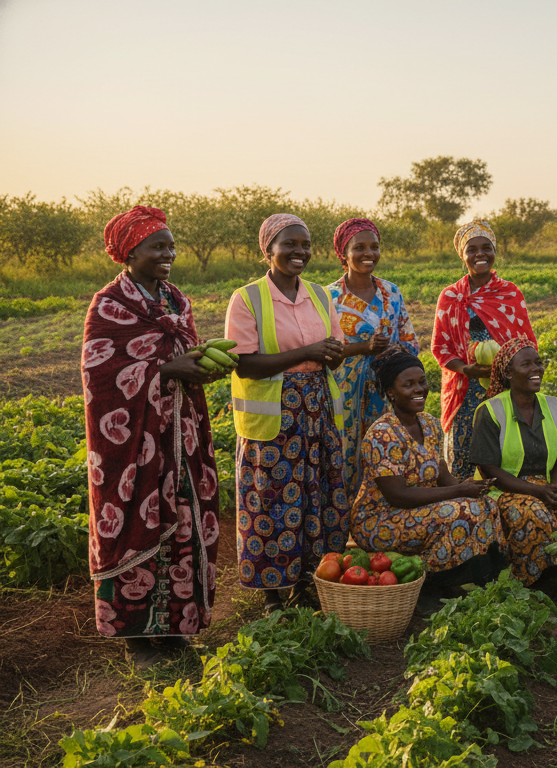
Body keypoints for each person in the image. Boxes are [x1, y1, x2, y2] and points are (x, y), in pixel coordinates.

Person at [84, 206, 223, 667]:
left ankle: (176, 626)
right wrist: (164, 370)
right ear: (130, 252)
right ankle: (136, 636)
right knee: (134, 520)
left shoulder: (176, 301)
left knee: (183, 513)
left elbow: (184, 355)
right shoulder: (109, 306)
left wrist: (201, 366)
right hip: (132, 443)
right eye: (157, 247)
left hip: (180, 436)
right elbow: (101, 376)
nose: (169, 254)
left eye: (171, 246)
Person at [227, 213, 348, 613]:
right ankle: (273, 595)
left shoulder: (319, 294)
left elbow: (336, 345)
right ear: (269, 249)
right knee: (272, 500)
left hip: (316, 410)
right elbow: (245, 364)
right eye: (289, 244)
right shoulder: (247, 298)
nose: (300, 252)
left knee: (317, 495)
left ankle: (309, 581)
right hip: (274, 417)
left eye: (305, 245)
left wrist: (332, 354)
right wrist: (309, 353)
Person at [349, 352, 501, 612]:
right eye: (408, 385)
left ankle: (458, 577)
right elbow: (398, 496)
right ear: (391, 392)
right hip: (379, 519)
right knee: (460, 512)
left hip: (417, 511)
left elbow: (442, 476)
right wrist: (458, 492)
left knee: (486, 505)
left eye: (422, 381)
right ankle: (425, 583)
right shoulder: (383, 434)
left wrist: (471, 489)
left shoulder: (429, 424)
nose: (419, 389)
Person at [469, 338, 557, 585]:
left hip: (546, 484)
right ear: (509, 373)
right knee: (533, 513)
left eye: (539, 363)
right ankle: (533, 580)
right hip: (501, 488)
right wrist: (538, 491)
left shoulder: (555, 406)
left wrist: (556, 487)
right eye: (527, 364)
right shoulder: (490, 411)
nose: (537, 369)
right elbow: (489, 470)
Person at [433, 220, 536, 481]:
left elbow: (527, 344)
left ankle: (504, 504)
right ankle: (463, 508)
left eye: (486, 247)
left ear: (494, 251)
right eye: (472, 249)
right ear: (463, 255)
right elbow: (440, 347)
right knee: (464, 451)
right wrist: (465, 368)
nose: (480, 254)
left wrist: (506, 369)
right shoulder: (450, 296)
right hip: (465, 388)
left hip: (504, 386)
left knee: (504, 452)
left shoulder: (509, 293)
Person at [327, 218, 419, 488]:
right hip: (344, 393)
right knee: (345, 454)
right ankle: (346, 519)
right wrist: (362, 348)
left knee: (387, 453)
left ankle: (383, 519)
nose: (368, 254)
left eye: (374, 247)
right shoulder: (329, 297)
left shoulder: (391, 292)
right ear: (343, 253)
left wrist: (393, 351)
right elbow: (323, 349)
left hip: (386, 392)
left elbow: (409, 341)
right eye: (359, 247)